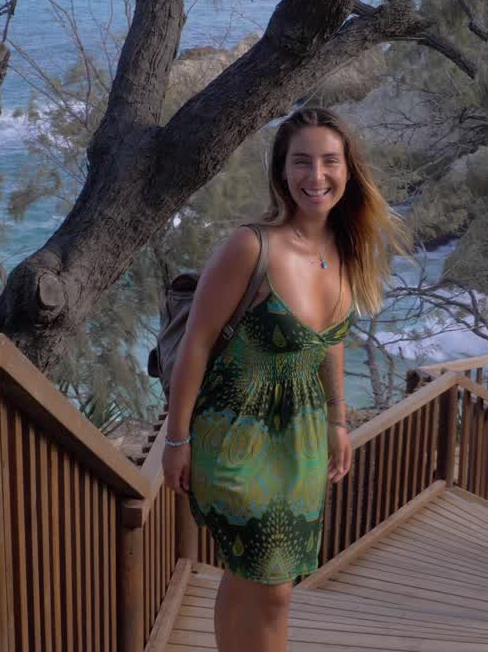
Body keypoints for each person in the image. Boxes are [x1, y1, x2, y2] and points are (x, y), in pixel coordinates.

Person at [160, 107, 411, 651]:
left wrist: (338, 421)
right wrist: (176, 441)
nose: (315, 176)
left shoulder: (345, 250)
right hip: (234, 435)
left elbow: (331, 341)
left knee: (246, 574)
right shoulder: (251, 247)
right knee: (275, 590)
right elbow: (197, 344)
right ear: (281, 172)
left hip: (298, 443)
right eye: (302, 162)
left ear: (348, 170)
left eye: (329, 161)